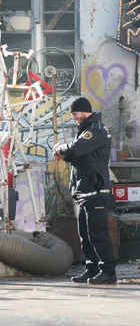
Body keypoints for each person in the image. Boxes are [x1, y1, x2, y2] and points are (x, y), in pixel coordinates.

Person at [53, 96, 116, 285]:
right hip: (84, 191)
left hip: (95, 191)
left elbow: (77, 147)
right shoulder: (86, 130)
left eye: (74, 114)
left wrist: (60, 148)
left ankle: (108, 271)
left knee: (98, 233)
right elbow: (78, 155)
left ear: (84, 111)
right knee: (86, 235)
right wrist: (65, 155)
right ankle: (92, 268)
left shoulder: (95, 130)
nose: (73, 118)